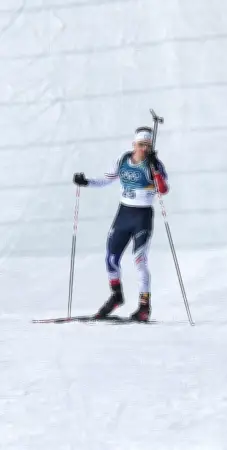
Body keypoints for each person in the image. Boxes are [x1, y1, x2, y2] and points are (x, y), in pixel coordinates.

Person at [72, 126, 169, 321]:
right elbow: (106, 180)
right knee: (111, 258)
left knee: (140, 261)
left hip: (142, 218)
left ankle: (144, 307)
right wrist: (86, 182)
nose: (144, 149)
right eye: (141, 145)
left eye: (148, 146)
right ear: (134, 145)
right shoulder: (123, 160)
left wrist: (155, 170)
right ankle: (116, 296)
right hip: (124, 215)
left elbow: (163, 190)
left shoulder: (155, 165)